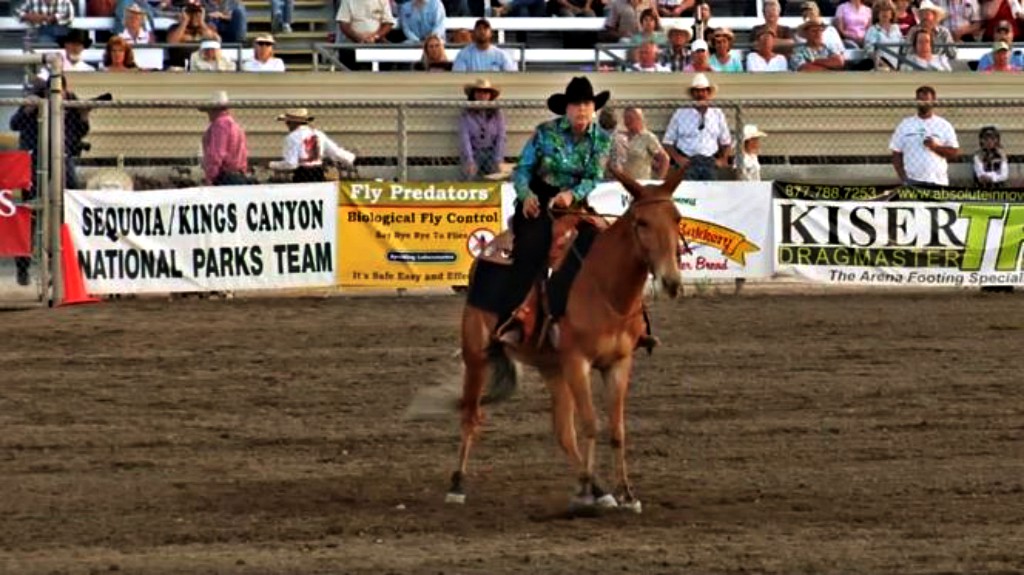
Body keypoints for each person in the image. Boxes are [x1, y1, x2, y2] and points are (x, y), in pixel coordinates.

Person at [497, 77, 612, 346]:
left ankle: (598, 316)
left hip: (574, 202)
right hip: (539, 196)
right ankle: (517, 316)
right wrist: (526, 196)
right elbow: (523, 169)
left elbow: (593, 176)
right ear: (566, 109)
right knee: (531, 246)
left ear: (594, 108)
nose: (582, 110)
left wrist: (572, 195)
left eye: (586, 104)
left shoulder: (602, 140)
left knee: (600, 244)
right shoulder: (545, 132)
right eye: (576, 104)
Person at [662, 73, 732, 181]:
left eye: (704, 91)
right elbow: (667, 142)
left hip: (710, 161)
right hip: (687, 160)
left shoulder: (717, 114)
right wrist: (678, 159)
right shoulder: (681, 113)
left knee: (710, 194)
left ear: (708, 93)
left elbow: (726, 142)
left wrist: (723, 159)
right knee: (688, 195)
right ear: (692, 93)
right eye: (697, 91)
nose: (700, 94)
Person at [890, 85, 959, 188]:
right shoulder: (905, 124)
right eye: (920, 100)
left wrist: (935, 147)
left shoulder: (943, 125)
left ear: (933, 101)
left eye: (926, 100)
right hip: (912, 182)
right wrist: (903, 178)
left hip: (938, 181)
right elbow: (896, 153)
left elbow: (954, 153)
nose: (923, 103)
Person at [269, 108, 356, 182]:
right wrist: (351, 158)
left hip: (302, 173)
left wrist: (271, 164)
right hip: (318, 172)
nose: (287, 125)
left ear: (292, 123)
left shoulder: (292, 137)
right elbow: (335, 152)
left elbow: (291, 164)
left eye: (287, 122)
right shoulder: (318, 134)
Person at [458, 78, 506, 181]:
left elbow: (501, 137)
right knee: (469, 175)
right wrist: (470, 160)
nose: (482, 95)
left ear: (490, 95)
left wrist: (498, 159)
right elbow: (465, 138)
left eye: (486, 92)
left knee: (498, 175)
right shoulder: (467, 113)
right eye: (479, 91)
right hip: (474, 152)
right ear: (473, 94)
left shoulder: (497, 113)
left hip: (492, 152)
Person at [200, 91, 250, 186]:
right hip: (238, 174)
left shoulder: (219, 125)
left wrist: (210, 177)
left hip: (224, 176)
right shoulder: (234, 125)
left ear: (214, 110)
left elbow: (216, 154)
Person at [620, 107, 669, 181]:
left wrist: (659, 181)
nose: (627, 121)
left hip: (640, 184)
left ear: (639, 119)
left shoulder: (648, 138)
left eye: (630, 118)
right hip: (621, 184)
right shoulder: (620, 137)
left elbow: (664, 159)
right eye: (625, 118)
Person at [452, 18, 517, 72]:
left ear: (491, 33)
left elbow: (511, 76)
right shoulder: (463, 55)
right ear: (474, 33)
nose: (482, 31)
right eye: (479, 28)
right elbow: (458, 78)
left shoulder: (501, 55)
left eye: (485, 28)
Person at [863, 0, 902, 70]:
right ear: (877, 14)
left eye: (887, 10)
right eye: (881, 10)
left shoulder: (896, 28)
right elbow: (869, 51)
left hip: (896, 69)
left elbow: (902, 49)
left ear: (892, 13)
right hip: (880, 68)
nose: (885, 13)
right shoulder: (873, 30)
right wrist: (885, 65)